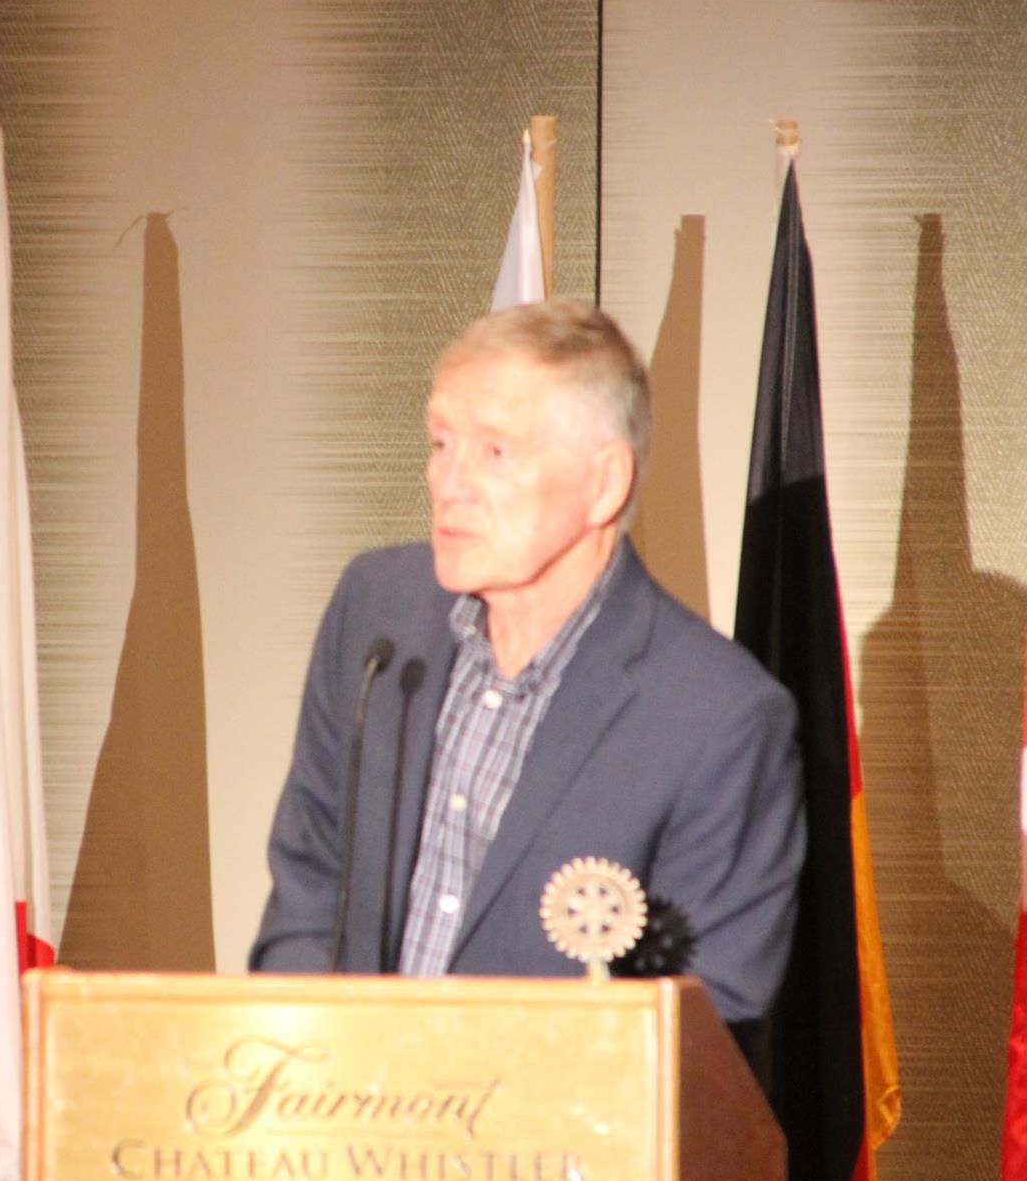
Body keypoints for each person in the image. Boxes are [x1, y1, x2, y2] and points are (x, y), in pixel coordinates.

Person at [249, 299, 805, 1029]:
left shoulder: (717, 717)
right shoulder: (376, 614)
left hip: (553, 1105)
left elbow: (707, 1018)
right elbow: (309, 882)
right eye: (441, 442)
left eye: (495, 452)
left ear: (604, 484)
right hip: (343, 1089)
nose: (448, 482)